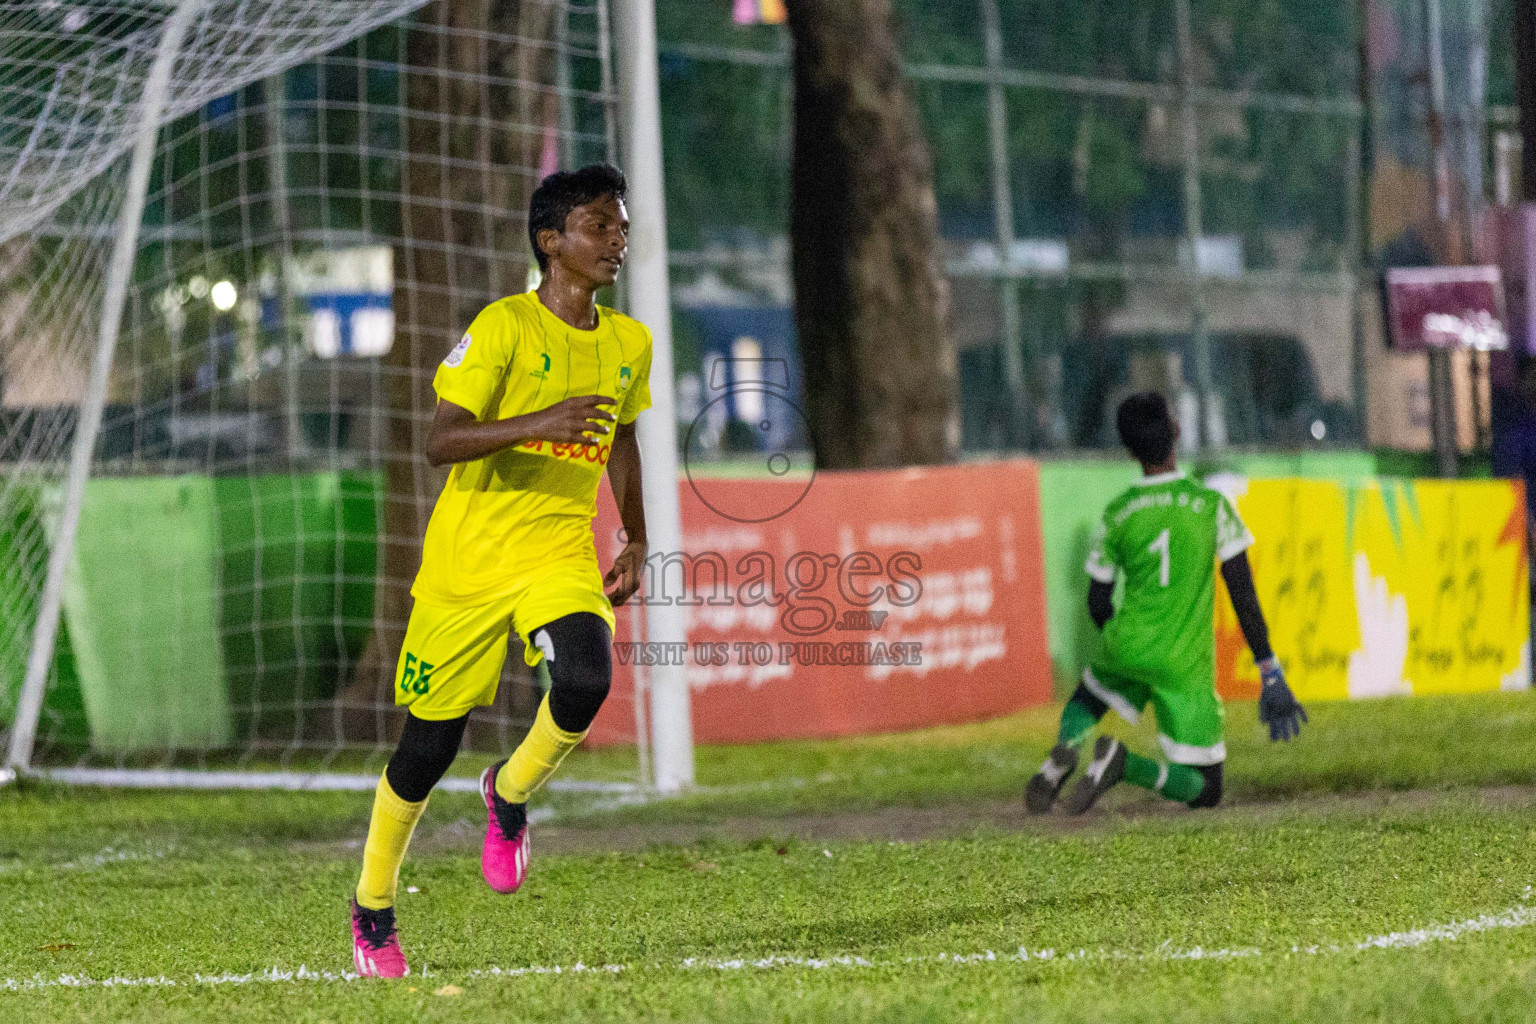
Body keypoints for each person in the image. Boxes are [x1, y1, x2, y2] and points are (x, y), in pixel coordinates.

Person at [349, 164, 652, 978]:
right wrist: (539, 421)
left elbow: (622, 437)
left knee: (586, 678)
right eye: (600, 225)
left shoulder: (629, 342)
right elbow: (439, 441)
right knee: (425, 749)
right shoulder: (503, 329)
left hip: (556, 551)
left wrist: (636, 536)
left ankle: (509, 793)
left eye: (622, 225)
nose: (617, 239)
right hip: (467, 567)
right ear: (553, 242)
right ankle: (373, 905)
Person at [1025, 392, 1305, 816]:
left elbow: (1097, 601)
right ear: (1176, 432)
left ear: (1129, 449)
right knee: (1207, 790)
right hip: (1183, 663)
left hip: (1129, 642)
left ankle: (1062, 753)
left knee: (1091, 693)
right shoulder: (1211, 508)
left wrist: (1122, 643)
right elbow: (1242, 595)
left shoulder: (1119, 513)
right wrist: (1268, 668)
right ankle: (1125, 765)